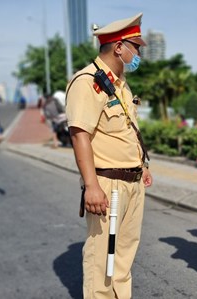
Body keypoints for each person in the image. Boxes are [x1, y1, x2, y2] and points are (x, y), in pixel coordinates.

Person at [65, 12, 153, 299]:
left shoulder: (119, 83)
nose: (138, 53)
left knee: (124, 258)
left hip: (133, 182)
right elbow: (80, 136)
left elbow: (126, 128)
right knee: (102, 260)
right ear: (119, 47)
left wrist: (142, 165)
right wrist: (91, 186)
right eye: (135, 47)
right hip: (108, 184)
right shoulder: (86, 81)